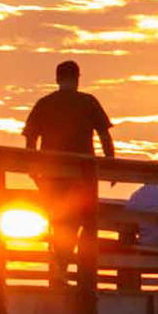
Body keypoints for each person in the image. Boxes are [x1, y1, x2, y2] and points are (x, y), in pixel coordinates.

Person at [23, 60, 115, 289]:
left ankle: (59, 271)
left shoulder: (44, 104)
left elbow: (30, 139)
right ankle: (71, 273)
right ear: (78, 78)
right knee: (79, 225)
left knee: (57, 222)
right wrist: (111, 164)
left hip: (51, 177)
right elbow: (104, 136)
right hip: (82, 178)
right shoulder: (88, 102)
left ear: (57, 78)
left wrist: (33, 170)